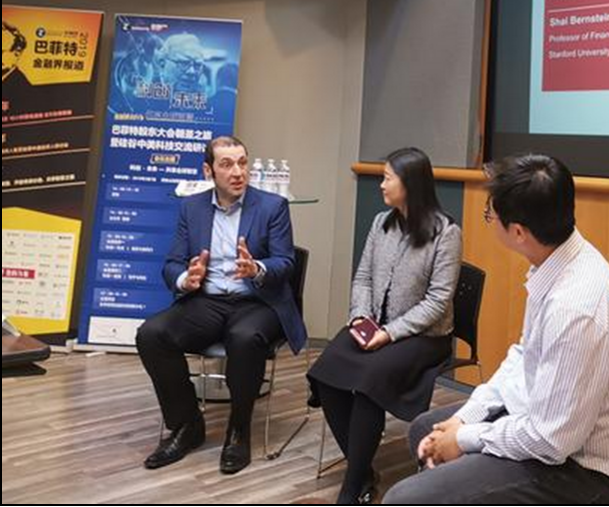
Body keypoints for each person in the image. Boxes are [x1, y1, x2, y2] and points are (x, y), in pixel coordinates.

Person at [382, 154, 609, 505]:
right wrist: (466, 418)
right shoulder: (557, 259)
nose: (489, 220)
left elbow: (551, 441)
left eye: (490, 214)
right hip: (550, 430)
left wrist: (465, 438)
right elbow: (525, 357)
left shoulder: (575, 308)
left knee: (407, 498)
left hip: (583, 472)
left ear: (519, 232)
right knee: (425, 430)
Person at [136, 136, 306, 475]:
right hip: (208, 301)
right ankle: (186, 424)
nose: (238, 172)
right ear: (208, 171)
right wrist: (187, 278)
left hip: (257, 301)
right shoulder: (192, 207)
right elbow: (171, 263)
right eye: (226, 164)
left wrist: (257, 268)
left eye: (242, 162)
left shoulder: (272, 206)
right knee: (151, 335)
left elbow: (286, 262)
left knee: (244, 338)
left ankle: (238, 430)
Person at [307, 147, 462, 504]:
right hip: (376, 325)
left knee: (368, 384)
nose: (381, 184)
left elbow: (438, 302)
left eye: (387, 178)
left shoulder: (446, 232)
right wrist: (361, 317)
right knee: (326, 372)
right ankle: (362, 470)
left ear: (410, 184)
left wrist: (389, 333)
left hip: (424, 336)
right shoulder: (382, 222)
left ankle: (352, 486)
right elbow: (363, 276)